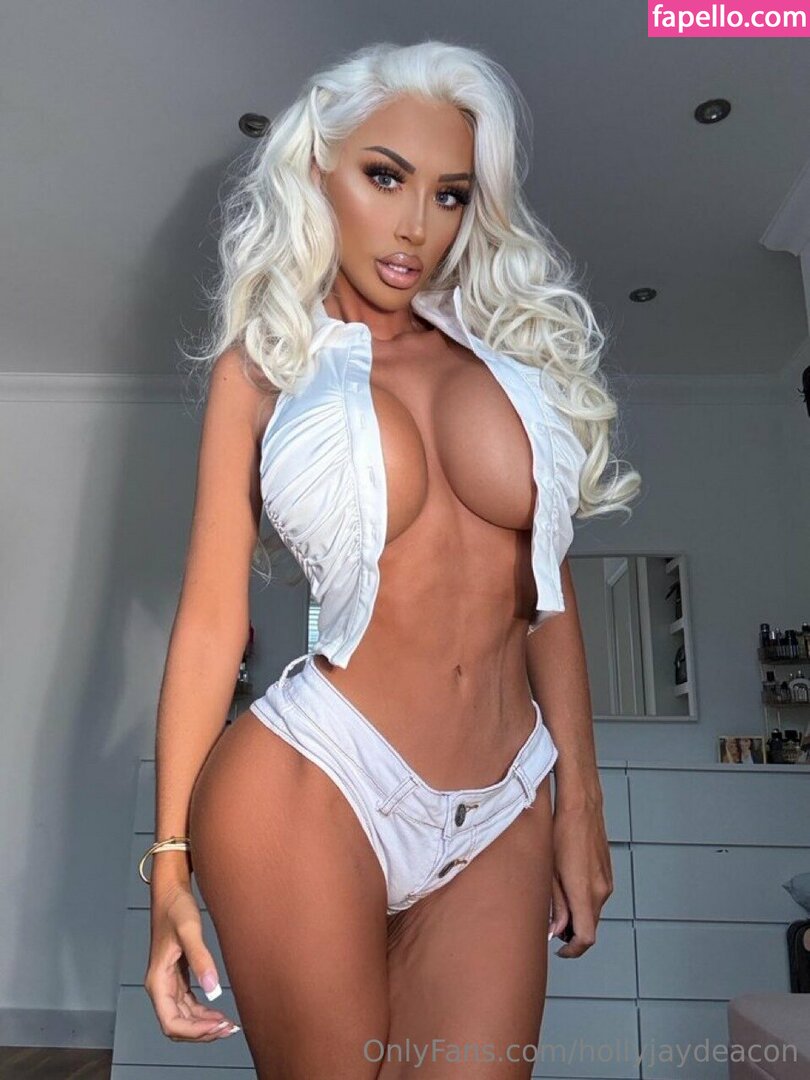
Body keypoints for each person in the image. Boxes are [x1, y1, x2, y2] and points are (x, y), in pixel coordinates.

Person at [142, 40, 641, 1079]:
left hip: (503, 798)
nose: (418, 224)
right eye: (385, 177)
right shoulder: (266, 367)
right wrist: (169, 863)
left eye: (450, 194)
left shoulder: (512, 363)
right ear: (318, 169)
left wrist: (581, 801)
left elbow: (547, 596)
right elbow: (212, 621)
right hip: (317, 780)